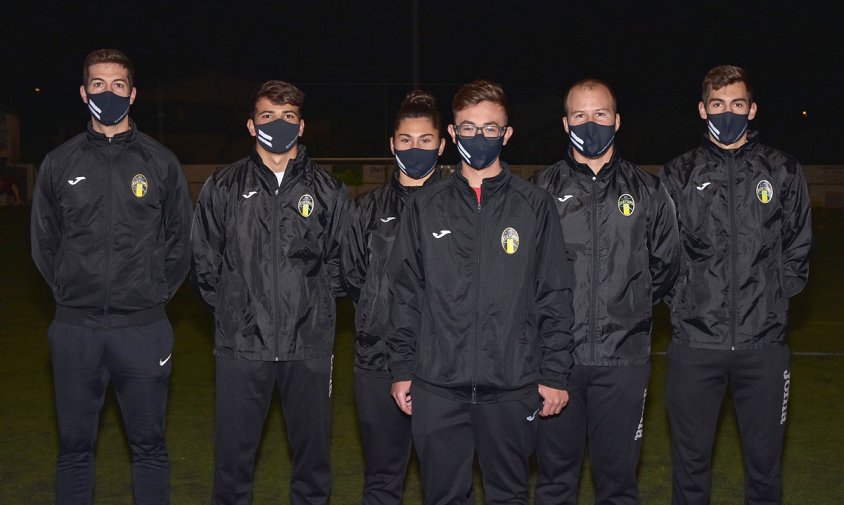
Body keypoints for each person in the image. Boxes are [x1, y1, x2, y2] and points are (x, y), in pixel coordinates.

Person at [387, 79, 575, 504]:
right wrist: (401, 367)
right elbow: (405, 293)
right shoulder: (425, 204)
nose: (479, 137)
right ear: (452, 134)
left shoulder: (534, 206)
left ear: (507, 134)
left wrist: (554, 373)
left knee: (508, 495)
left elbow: (555, 294)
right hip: (437, 386)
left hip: (511, 386)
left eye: (491, 128)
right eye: (468, 127)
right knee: (442, 496)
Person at [30, 48, 192, 505]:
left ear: (133, 94)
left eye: (118, 85)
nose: (108, 92)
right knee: (74, 449)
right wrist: (67, 290)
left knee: (149, 447)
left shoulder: (160, 162)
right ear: (84, 93)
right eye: (98, 84)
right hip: (75, 329)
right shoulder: (59, 163)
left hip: (142, 331)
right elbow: (44, 242)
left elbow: (181, 240)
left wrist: (153, 294)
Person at [659, 65, 812, 505]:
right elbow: (663, 253)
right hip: (695, 345)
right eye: (719, 105)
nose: (729, 113)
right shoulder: (678, 174)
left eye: (738, 105)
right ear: (703, 110)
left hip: (763, 346)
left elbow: (798, 247)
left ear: (752, 109)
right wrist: (687, 301)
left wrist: (772, 299)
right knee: (690, 471)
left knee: (764, 472)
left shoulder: (781, 169)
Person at [191, 80, 348, 505]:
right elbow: (205, 262)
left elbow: (342, 263)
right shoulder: (223, 187)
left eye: (288, 117)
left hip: (309, 346)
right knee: (233, 465)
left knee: (313, 465)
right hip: (242, 345)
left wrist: (310, 304)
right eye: (267, 117)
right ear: (250, 124)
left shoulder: (328, 191)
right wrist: (236, 310)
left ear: (301, 126)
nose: (278, 125)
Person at [531, 78, 680, 504]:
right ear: (565, 123)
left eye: (599, 114)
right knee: (556, 481)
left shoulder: (648, 190)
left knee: (617, 484)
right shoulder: (540, 191)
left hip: (624, 360)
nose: (590, 123)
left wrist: (628, 308)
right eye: (580, 115)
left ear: (616, 120)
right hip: (557, 362)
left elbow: (666, 265)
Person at [340, 89, 444, 504]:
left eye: (424, 141)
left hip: (444, 365)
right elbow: (352, 276)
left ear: (442, 143)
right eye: (406, 140)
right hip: (377, 361)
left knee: (446, 478)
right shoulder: (365, 209)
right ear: (392, 144)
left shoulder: (460, 206)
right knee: (383, 478)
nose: (414, 148)